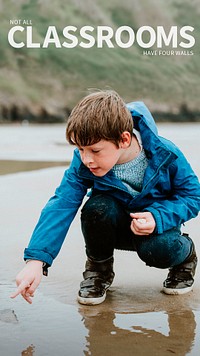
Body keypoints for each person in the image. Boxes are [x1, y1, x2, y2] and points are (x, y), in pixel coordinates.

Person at [10, 90, 200, 305]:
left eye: (95, 150)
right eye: (80, 149)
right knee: (96, 208)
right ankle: (98, 272)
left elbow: (193, 195)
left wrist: (158, 217)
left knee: (157, 250)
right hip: (114, 225)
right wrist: (36, 260)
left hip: (156, 229)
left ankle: (186, 259)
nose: (86, 159)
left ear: (124, 140)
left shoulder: (165, 153)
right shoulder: (83, 161)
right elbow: (62, 203)